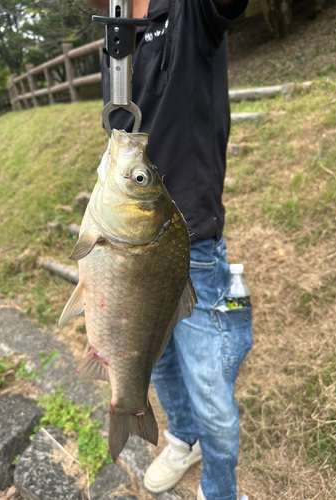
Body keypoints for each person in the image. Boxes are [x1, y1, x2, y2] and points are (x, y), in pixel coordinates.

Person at [85, 0, 253, 499]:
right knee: (153, 361)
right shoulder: (116, 28)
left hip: (193, 245)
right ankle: (182, 436)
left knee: (213, 396)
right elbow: (120, 131)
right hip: (126, 238)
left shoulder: (192, 9)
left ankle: (220, 491)